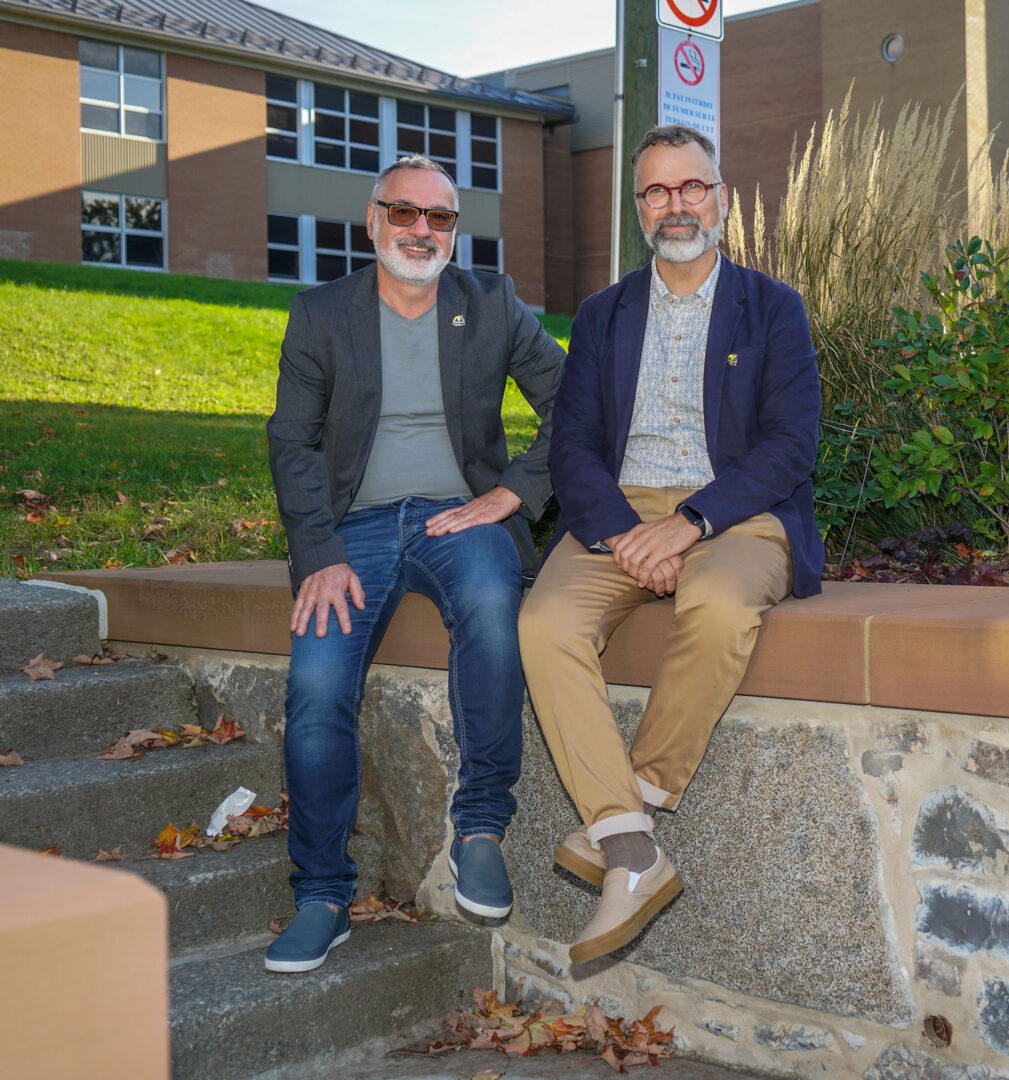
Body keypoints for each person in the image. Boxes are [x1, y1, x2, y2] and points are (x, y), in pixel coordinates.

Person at [518, 124, 822, 965]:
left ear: (720, 197)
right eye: (656, 190)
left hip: (734, 511)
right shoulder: (601, 314)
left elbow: (792, 445)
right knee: (543, 626)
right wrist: (624, 533)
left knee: (720, 603)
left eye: (692, 187)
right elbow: (573, 443)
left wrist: (688, 524)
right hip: (617, 512)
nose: (676, 203)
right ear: (639, 208)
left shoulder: (773, 307)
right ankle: (633, 849)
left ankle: (629, 809)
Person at [264, 154, 564, 973]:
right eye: (405, 213)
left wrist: (513, 495)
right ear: (373, 221)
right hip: (351, 527)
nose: (422, 231)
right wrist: (318, 551)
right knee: (319, 684)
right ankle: (323, 895)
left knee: (493, 607)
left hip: (457, 516)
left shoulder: (492, 303)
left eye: (439, 218)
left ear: (455, 232)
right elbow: (291, 442)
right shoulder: (323, 314)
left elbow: (575, 402)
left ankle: (480, 828)